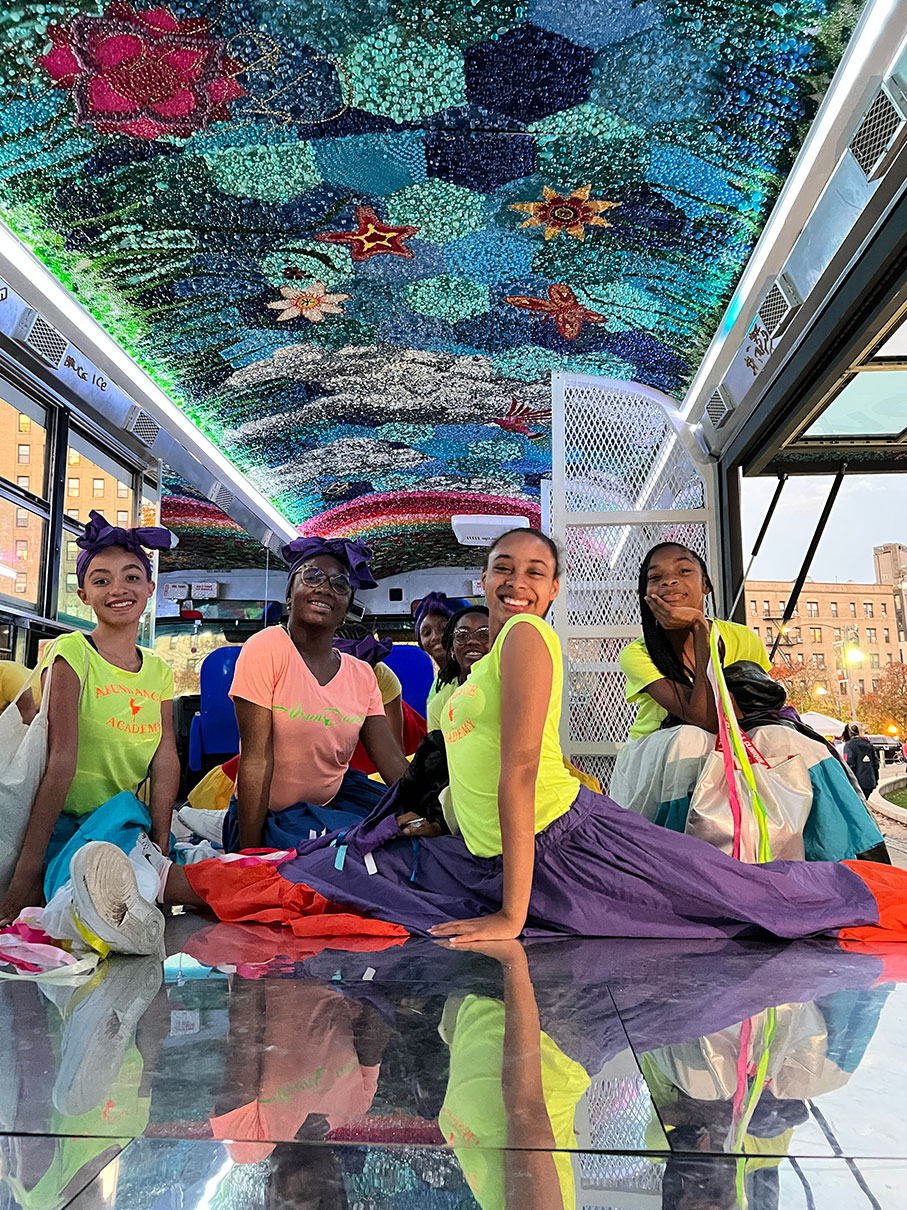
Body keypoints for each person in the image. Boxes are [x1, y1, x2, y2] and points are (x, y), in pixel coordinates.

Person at [30, 528, 907, 954]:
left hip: (561, 846)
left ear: (553, 589)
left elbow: (521, 773)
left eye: (535, 571)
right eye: (503, 570)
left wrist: (510, 916)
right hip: (485, 848)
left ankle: (882, 894)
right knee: (335, 873)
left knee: (744, 902)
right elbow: (464, 768)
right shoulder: (479, 667)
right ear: (484, 580)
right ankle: (147, 890)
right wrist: (426, 815)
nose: (516, 582)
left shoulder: (524, 639)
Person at [610, 542, 887, 863]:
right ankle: (680, 863)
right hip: (664, 750)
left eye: (683, 571)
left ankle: (851, 858)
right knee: (691, 739)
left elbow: (761, 710)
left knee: (787, 739)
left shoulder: (742, 638)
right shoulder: (638, 653)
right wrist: (699, 628)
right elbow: (703, 717)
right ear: (645, 593)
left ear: (706, 585)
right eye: (655, 577)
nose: (669, 581)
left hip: (742, 735)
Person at [0, 511, 179, 930]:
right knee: (85, 902)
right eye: (101, 580)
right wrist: (26, 871)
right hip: (60, 826)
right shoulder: (73, 652)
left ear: (150, 588)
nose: (118, 588)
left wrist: (161, 842)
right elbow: (61, 760)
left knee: (139, 881)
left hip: (122, 823)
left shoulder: (159, 671)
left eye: (132, 577)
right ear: (84, 594)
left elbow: (165, 757)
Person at [221, 536, 409, 852]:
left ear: (346, 608)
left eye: (340, 585)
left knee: (400, 839)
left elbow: (391, 760)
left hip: (332, 802)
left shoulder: (362, 674)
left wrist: (438, 816)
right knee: (337, 860)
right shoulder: (267, 648)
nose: (324, 588)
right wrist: (251, 856)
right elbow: (256, 761)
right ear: (289, 594)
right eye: (312, 576)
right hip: (266, 814)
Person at [426, 605, 490, 733]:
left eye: (484, 635)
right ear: (452, 650)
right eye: (462, 635)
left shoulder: (513, 689)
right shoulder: (440, 704)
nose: (472, 641)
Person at [414, 592, 469, 718]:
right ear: (421, 643)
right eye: (427, 633)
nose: (435, 637)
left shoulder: (471, 676)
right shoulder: (439, 683)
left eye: (444, 629)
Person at [845, 724, 880, 797]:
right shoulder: (869, 744)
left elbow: (849, 763)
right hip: (869, 780)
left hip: (856, 781)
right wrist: (876, 779)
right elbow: (876, 764)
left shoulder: (849, 745)